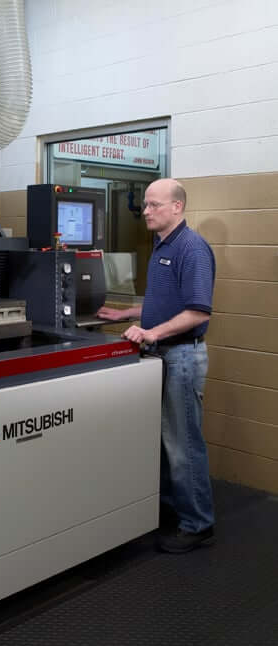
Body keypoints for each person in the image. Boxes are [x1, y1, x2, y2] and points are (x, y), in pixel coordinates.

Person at [97, 178, 216, 553]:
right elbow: (163, 300)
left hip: (182, 356)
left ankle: (198, 524)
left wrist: (151, 333)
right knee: (164, 441)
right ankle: (172, 509)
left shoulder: (192, 248)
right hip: (164, 354)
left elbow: (197, 311)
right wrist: (129, 312)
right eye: (146, 205)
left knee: (183, 444)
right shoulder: (163, 244)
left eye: (154, 205)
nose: (146, 211)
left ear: (177, 207)